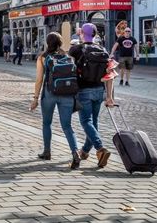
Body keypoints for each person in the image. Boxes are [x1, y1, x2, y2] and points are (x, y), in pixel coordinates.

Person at [30, 33, 81, 169]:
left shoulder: (42, 58)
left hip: (49, 93)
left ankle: (47, 152)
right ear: (60, 43)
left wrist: (35, 98)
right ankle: (75, 152)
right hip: (67, 94)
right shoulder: (69, 57)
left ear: (47, 43)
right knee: (67, 126)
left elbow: (39, 80)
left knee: (47, 123)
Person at [69, 23, 113, 168]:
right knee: (93, 122)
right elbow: (110, 75)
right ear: (95, 34)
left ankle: (100, 149)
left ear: (81, 33)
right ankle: (85, 151)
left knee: (86, 122)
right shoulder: (103, 50)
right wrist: (109, 96)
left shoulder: (76, 49)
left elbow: (69, 64)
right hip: (99, 91)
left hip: (84, 90)